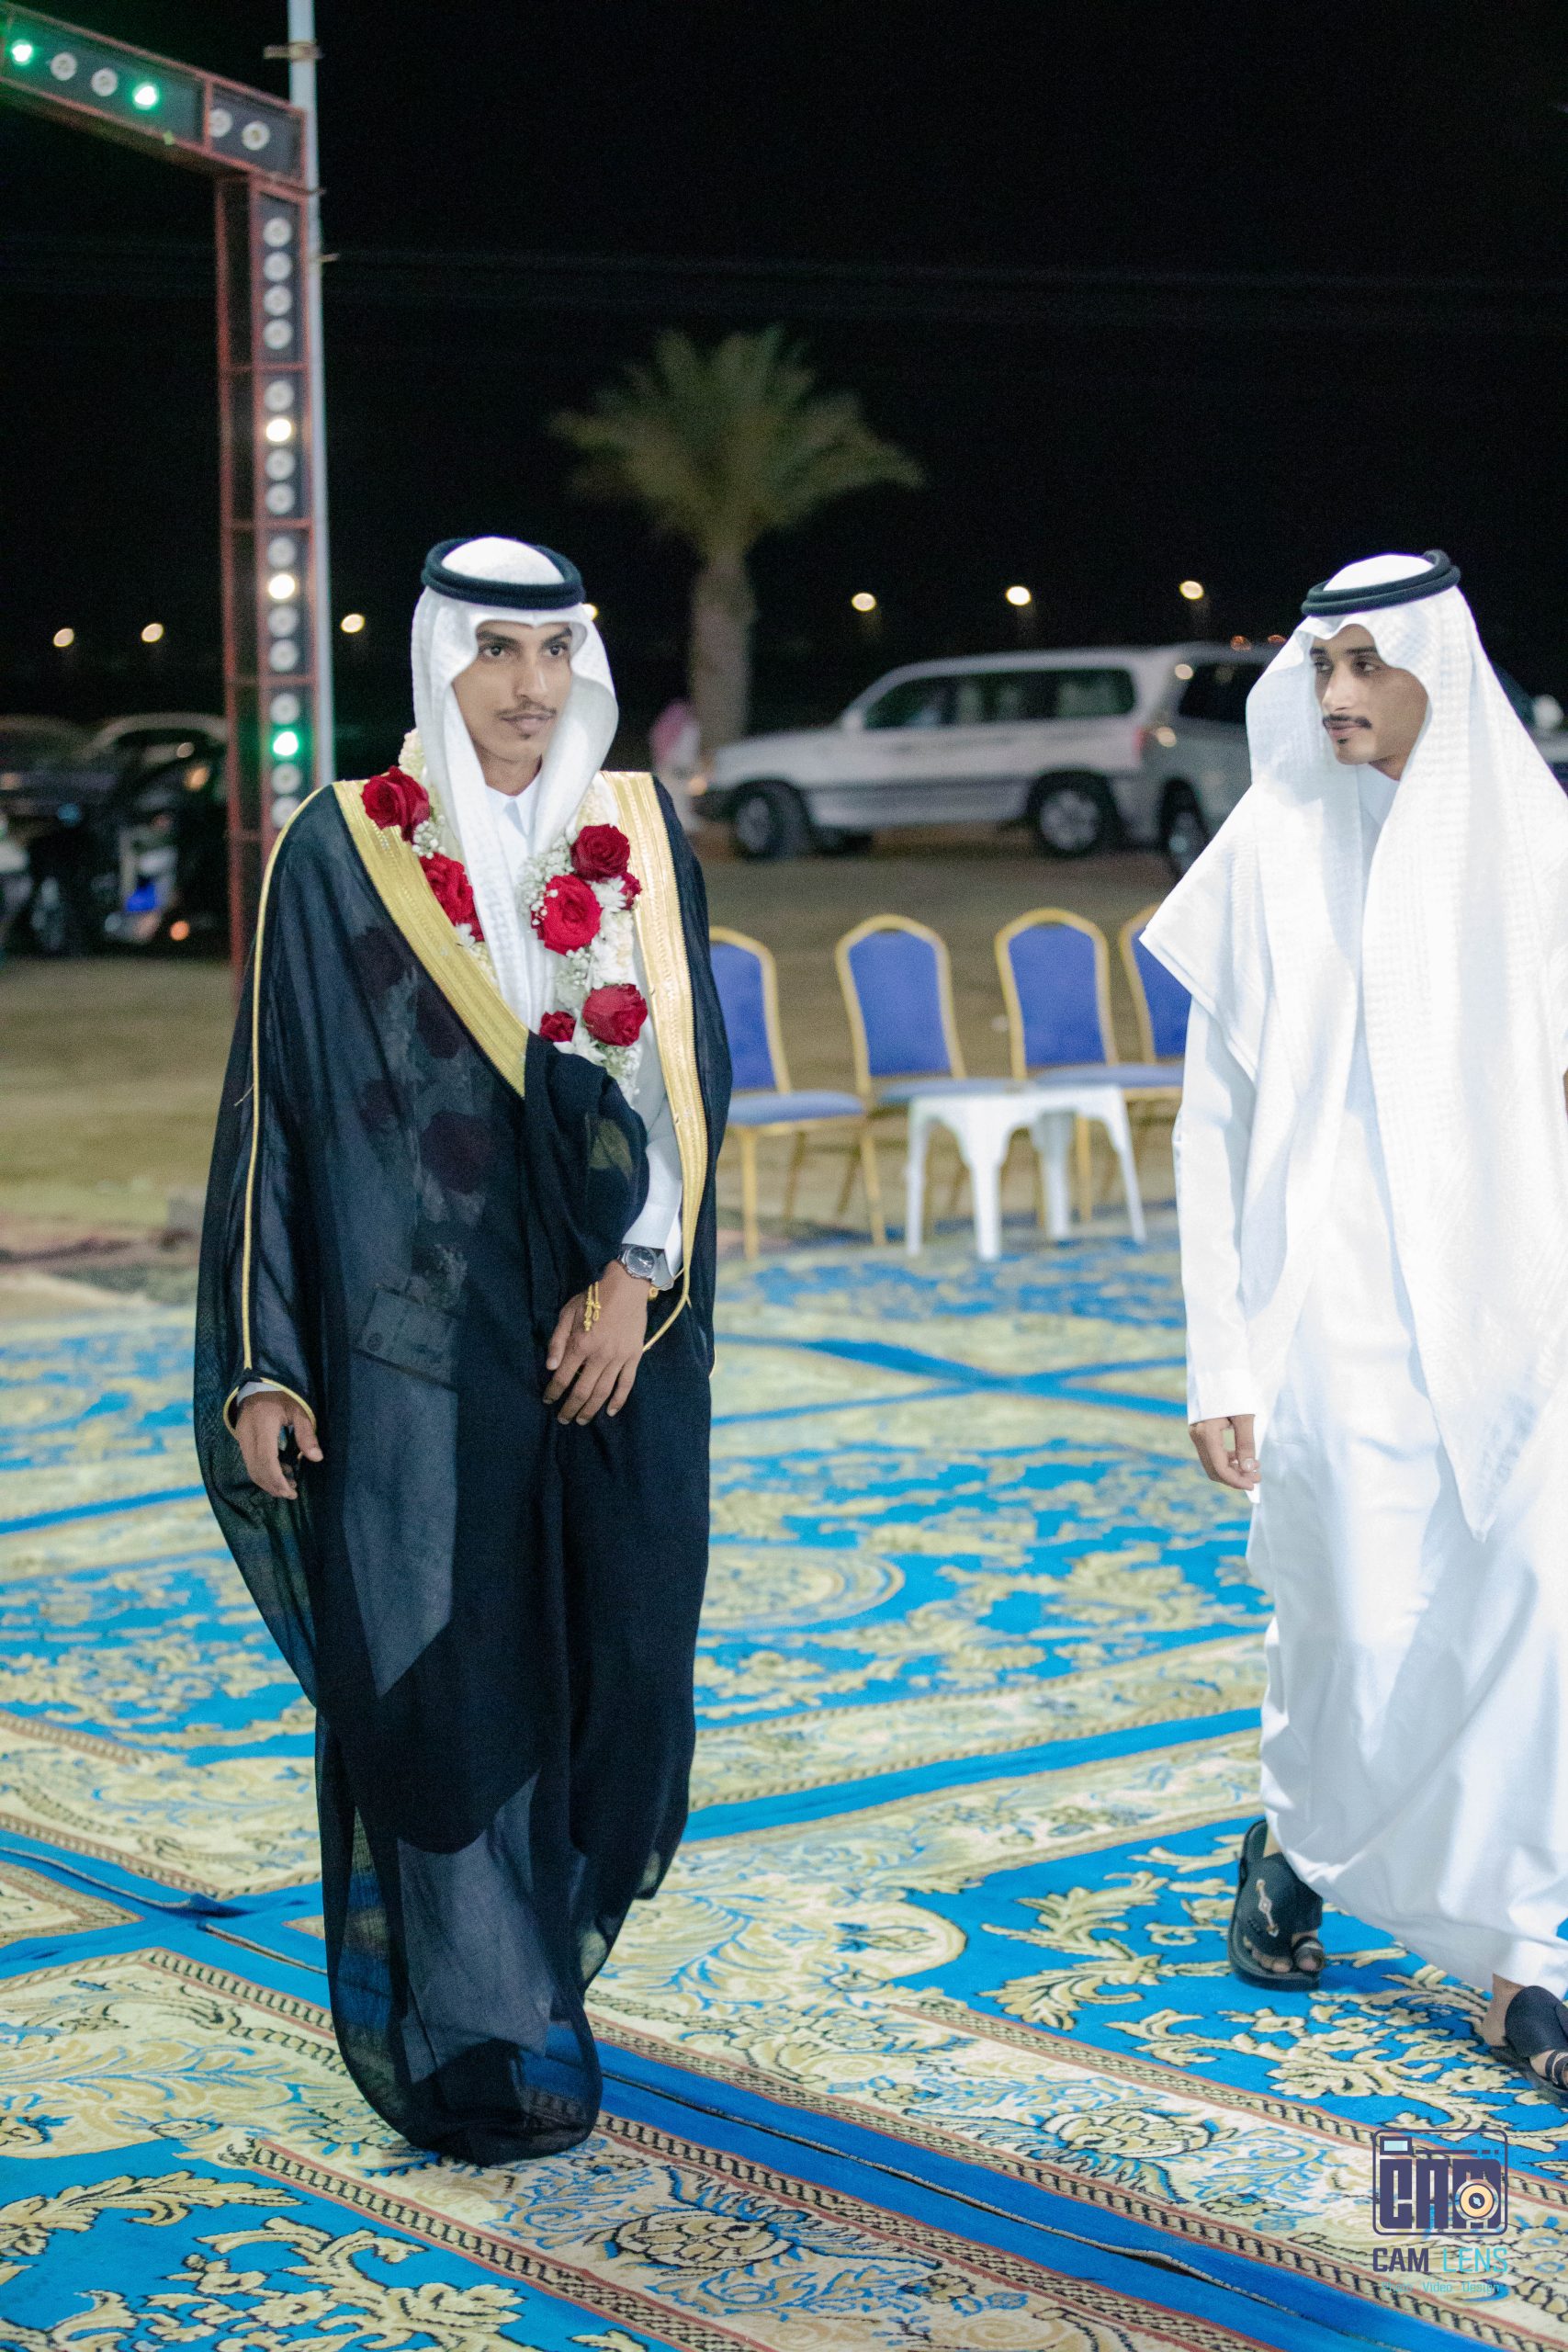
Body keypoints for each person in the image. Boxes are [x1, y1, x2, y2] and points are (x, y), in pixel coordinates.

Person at [194, 536, 730, 2162]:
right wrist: (266, 1359)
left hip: (616, 1339)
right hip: (419, 1354)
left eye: (555, 650)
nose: (528, 685)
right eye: (496, 649)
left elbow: (689, 1089)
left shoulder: (639, 832)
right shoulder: (344, 846)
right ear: (441, 658)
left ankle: (536, 1948)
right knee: (449, 1684)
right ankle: (483, 2016)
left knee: (626, 1687)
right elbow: (280, 1108)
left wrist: (636, 1279)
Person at [1145, 551, 1568, 2097]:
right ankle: (1299, 1836)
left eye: (1367, 664)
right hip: (1326, 1299)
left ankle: (1522, 1954)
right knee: (1357, 1615)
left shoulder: (1534, 841)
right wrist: (1222, 1354)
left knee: (1530, 1609)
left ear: (1436, 670)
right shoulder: (1269, 848)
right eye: (1322, 664)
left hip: (1514, 1293)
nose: (1336, 692)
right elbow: (1210, 1124)